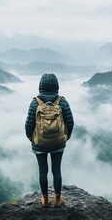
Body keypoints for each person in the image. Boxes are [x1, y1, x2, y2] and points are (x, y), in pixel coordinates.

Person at [25, 73, 74, 208]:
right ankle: (58, 199)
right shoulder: (62, 101)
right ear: (56, 86)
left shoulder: (35, 102)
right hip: (58, 143)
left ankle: (45, 199)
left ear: (40, 86)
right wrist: (65, 137)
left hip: (39, 144)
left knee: (43, 171)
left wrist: (33, 139)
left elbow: (29, 125)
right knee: (56, 170)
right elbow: (70, 123)